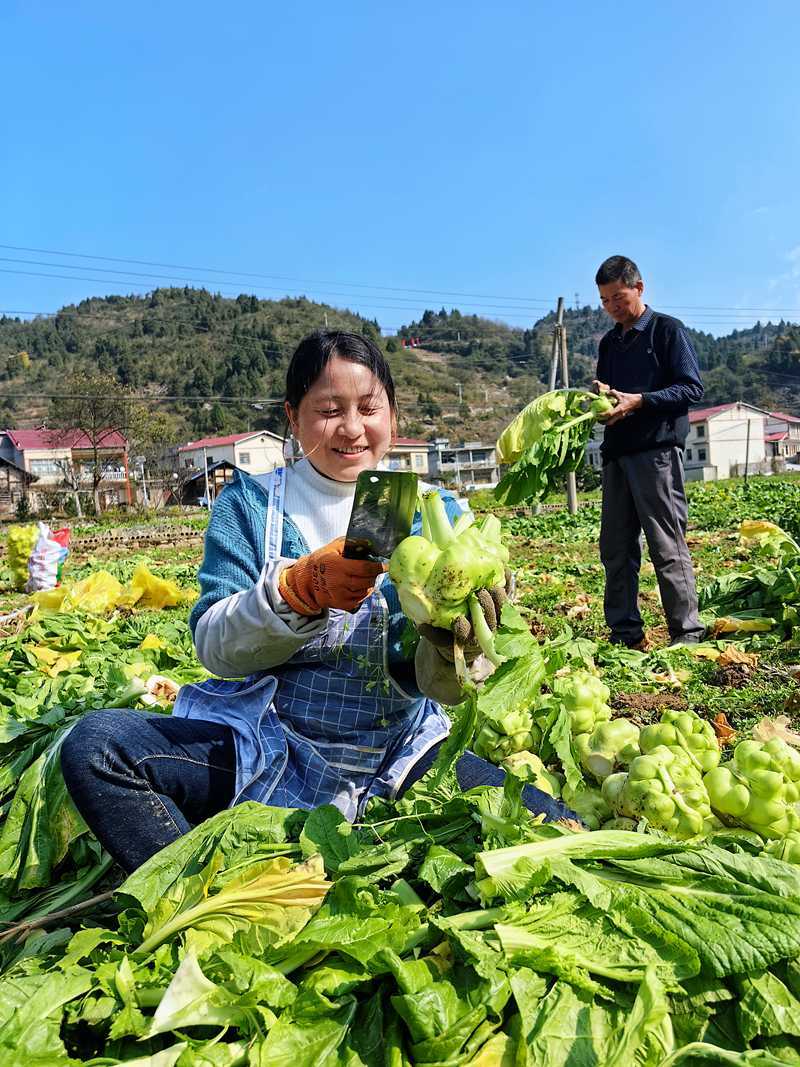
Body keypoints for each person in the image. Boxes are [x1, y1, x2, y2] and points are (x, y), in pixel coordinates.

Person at [61, 330, 574, 873]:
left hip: (398, 754)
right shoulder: (255, 503)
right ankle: (195, 897)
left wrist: (457, 643)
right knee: (96, 747)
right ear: (293, 416)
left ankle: (331, 849)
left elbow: (441, 688)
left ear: (392, 416)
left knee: (558, 832)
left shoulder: (418, 510)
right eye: (329, 410)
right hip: (263, 746)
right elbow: (214, 646)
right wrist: (297, 590)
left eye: (368, 408)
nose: (352, 428)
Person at [593, 255, 705, 649]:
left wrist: (640, 400)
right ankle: (625, 634)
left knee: (665, 544)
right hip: (617, 455)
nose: (612, 308)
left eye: (618, 298)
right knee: (616, 548)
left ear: (639, 288)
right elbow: (612, 398)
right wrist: (602, 403)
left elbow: (691, 388)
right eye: (605, 301)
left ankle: (686, 634)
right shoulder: (609, 343)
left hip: (656, 453)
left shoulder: (666, 331)